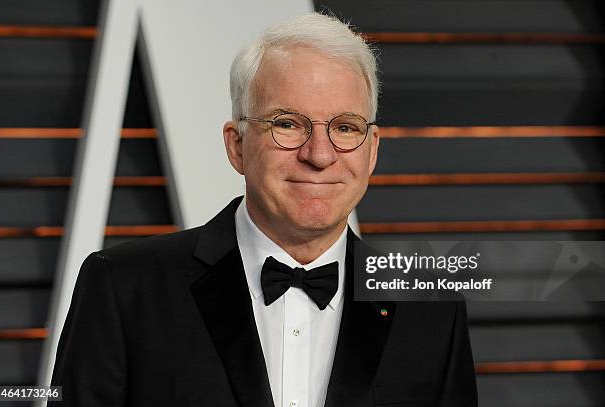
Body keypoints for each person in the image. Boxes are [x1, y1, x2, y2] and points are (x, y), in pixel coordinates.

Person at [49, 12, 477, 407]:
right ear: (236, 145)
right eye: (288, 124)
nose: (320, 155)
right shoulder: (123, 288)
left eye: (345, 128)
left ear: (372, 151)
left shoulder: (431, 306)